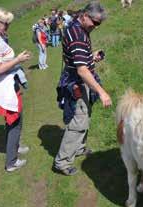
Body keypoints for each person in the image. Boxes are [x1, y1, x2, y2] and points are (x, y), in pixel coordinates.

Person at [54, 1, 112, 176]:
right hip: (76, 83)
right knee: (78, 122)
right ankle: (62, 162)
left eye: (99, 24)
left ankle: (78, 148)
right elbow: (81, 70)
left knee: (84, 115)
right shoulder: (78, 35)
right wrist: (102, 92)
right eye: (95, 22)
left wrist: (91, 57)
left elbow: (78, 60)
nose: (96, 26)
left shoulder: (77, 27)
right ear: (85, 16)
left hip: (77, 79)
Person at [0, 7, 31, 172]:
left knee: (16, 120)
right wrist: (18, 59)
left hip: (9, 84)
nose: (8, 27)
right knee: (14, 123)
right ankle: (11, 162)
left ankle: (15, 148)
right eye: (5, 24)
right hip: (5, 88)